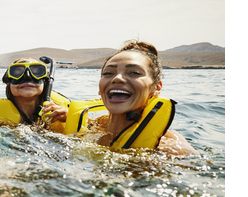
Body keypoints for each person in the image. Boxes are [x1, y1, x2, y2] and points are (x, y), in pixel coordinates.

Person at [64, 40, 197, 155]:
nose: (117, 78)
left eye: (134, 72)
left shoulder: (171, 145)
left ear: (156, 88)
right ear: (100, 88)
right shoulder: (91, 126)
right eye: (108, 73)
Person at [0, 57, 70, 132]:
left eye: (36, 72)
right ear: (9, 83)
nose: (27, 77)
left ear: (45, 82)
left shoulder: (64, 114)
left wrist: (70, 119)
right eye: (17, 72)